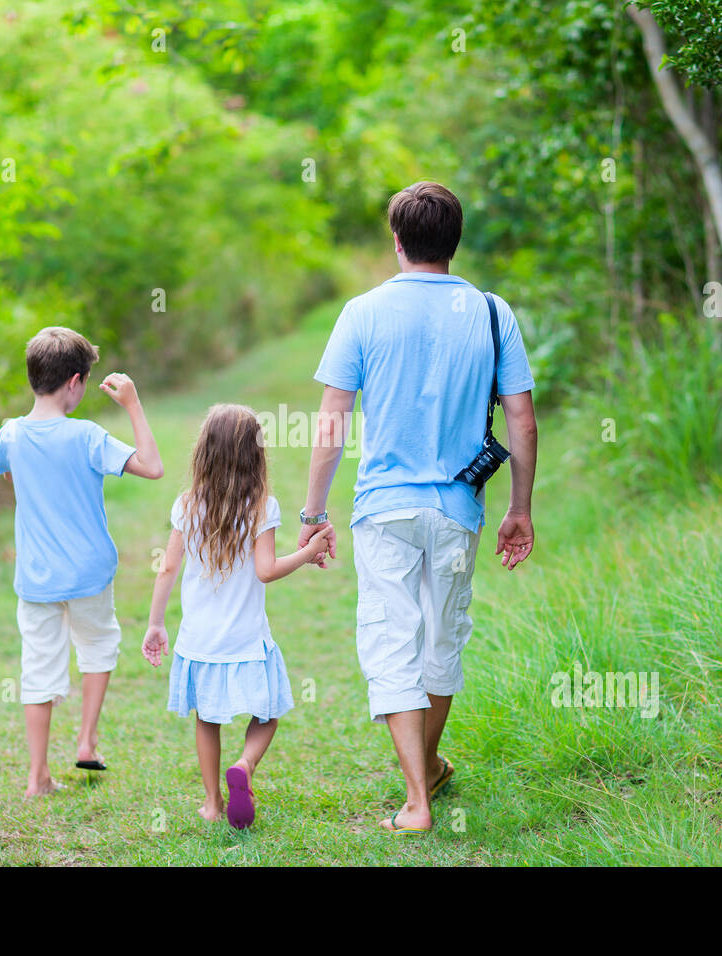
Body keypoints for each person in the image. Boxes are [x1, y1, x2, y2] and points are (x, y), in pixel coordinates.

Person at [299, 181, 539, 834]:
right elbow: (521, 417)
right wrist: (520, 506)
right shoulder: (493, 313)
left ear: (397, 242)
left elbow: (331, 422)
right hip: (459, 510)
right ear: (454, 242)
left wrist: (313, 513)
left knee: (390, 642)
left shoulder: (363, 312)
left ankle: (417, 799)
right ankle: (426, 770)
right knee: (439, 643)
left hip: (385, 510)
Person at [0, 326, 164, 798]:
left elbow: (6, 471)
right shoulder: (87, 436)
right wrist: (132, 405)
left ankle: (37, 777)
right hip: (88, 573)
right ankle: (87, 739)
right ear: (76, 382)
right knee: (99, 647)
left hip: (37, 578)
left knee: (38, 671)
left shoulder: (11, 434)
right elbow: (153, 466)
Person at [142, 404, 331, 829]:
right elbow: (266, 570)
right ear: (255, 455)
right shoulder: (263, 506)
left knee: (206, 719)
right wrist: (308, 553)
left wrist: (156, 623)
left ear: (204, 453)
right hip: (247, 640)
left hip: (199, 641)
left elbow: (168, 568)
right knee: (268, 713)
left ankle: (211, 803)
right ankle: (244, 766)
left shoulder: (187, 505)